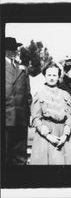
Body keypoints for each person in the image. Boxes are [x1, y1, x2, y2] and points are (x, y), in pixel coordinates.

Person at [29, 61, 71, 165]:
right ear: (45, 76)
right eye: (49, 75)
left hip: (63, 136)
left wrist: (65, 135)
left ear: (59, 76)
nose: (51, 78)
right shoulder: (40, 95)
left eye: (54, 75)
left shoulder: (65, 95)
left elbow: (69, 117)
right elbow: (36, 118)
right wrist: (49, 136)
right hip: (45, 137)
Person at [5, 37, 32, 165]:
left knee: (20, 155)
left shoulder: (22, 68)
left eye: (15, 49)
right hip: (6, 117)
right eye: (10, 49)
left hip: (21, 117)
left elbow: (28, 94)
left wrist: (29, 114)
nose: (14, 51)